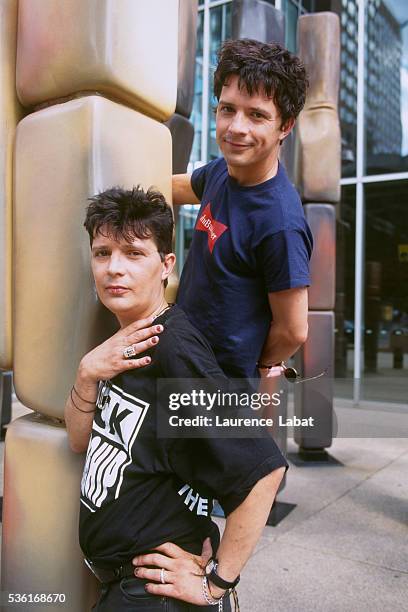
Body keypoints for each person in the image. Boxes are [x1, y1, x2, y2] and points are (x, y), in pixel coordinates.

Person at [65, 186, 288, 611]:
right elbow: (80, 441)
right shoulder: (119, 346)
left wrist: (217, 584)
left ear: (166, 265)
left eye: (133, 253)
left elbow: (263, 471)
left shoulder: (174, 348)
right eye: (102, 252)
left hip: (153, 593)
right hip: (123, 586)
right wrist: (87, 372)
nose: (114, 268)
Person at [174, 39, 313, 381]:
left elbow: (293, 331)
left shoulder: (280, 223)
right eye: (227, 109)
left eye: (256, 115)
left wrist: (252, 366)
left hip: (216, 388)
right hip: (179, 358)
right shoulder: (222, 171)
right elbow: (172, 187)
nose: (236, 128)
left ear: (285, 126)